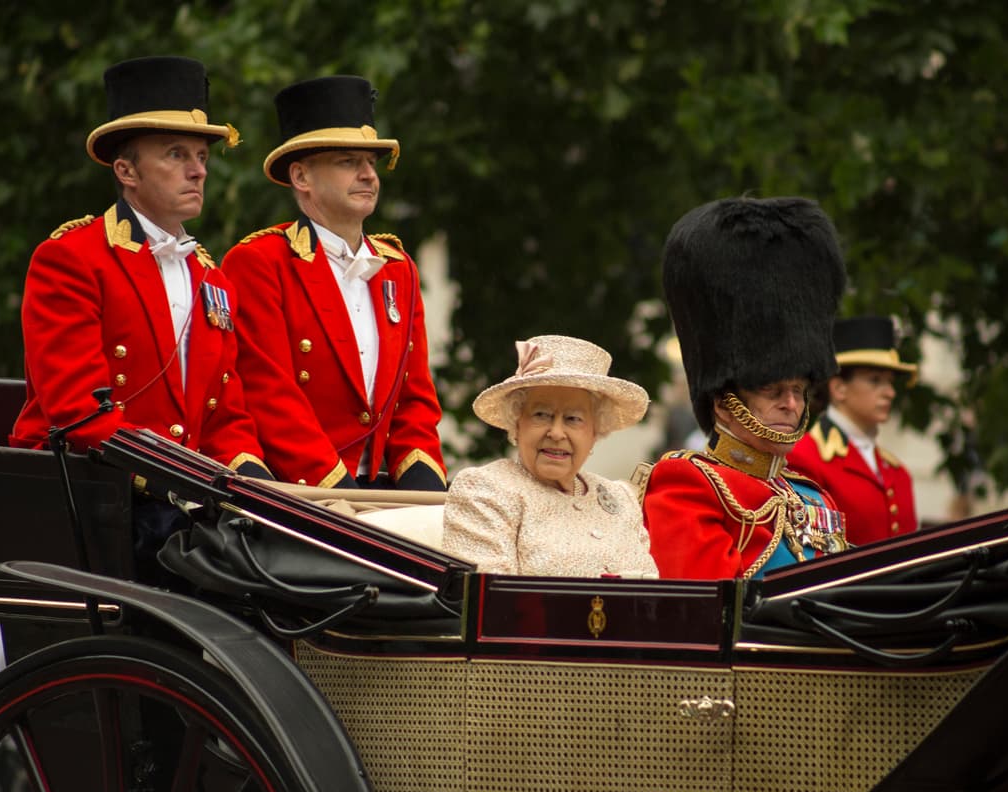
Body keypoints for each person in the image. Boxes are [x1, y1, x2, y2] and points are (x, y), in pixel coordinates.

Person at [9, 56, 269, 476]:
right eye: (175, 154)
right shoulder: (71, 258)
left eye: (202, 156)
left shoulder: (211, 277)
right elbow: (79, 412)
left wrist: (256, 484)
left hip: (181, 494)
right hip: (91, 487)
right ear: (126, 170)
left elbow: (225, 418)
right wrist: (183, 482)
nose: (198, 170)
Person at [222, 75, 446, 490]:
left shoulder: (399, 267)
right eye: (348, 162)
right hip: (298, 491)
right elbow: (270, 396)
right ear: (302, 177)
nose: (367, 176)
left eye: (371, 164)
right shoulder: (259, 262)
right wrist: (338, 493)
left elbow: (414, 400)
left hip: (381, 494)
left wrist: (426, 491)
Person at [641, 197, 849, 580]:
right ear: (724, 402)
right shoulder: (689, 484)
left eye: (799, 391)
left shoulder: (814, 496)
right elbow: (706, 612)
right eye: (774, 392)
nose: (792, 404)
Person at [442, 335, 658, 578]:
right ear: (517, 422)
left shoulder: (620, 499)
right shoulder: (485, 490)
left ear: (595, 431)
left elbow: (649, 594)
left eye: (573, 419)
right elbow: (490, 602)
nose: (556, 433)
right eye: (542, 415)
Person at [788, 316, 919, 544]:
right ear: (838, 388)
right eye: (875, 380)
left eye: (890, 382)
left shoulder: (899, 473)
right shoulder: (804, 458)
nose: (890, 392)